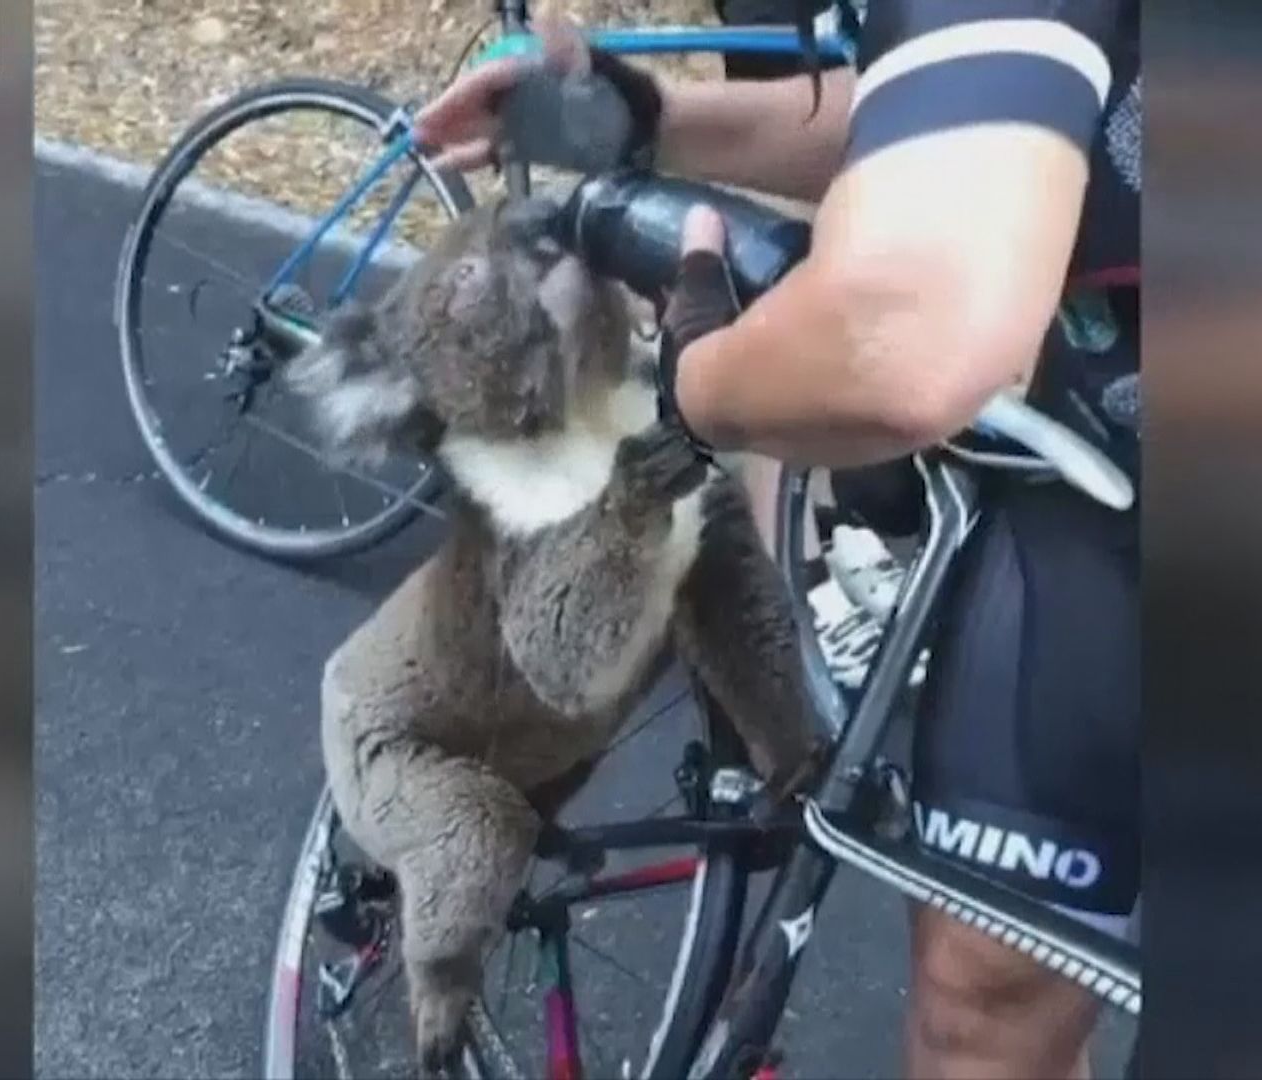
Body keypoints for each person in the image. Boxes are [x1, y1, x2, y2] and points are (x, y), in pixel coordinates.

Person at [413, 2, 1141, 1077]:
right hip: (1113, 503)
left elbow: (901, 335)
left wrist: (699, 378)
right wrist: (648, 118)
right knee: (982, 1003)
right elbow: (963, 120)